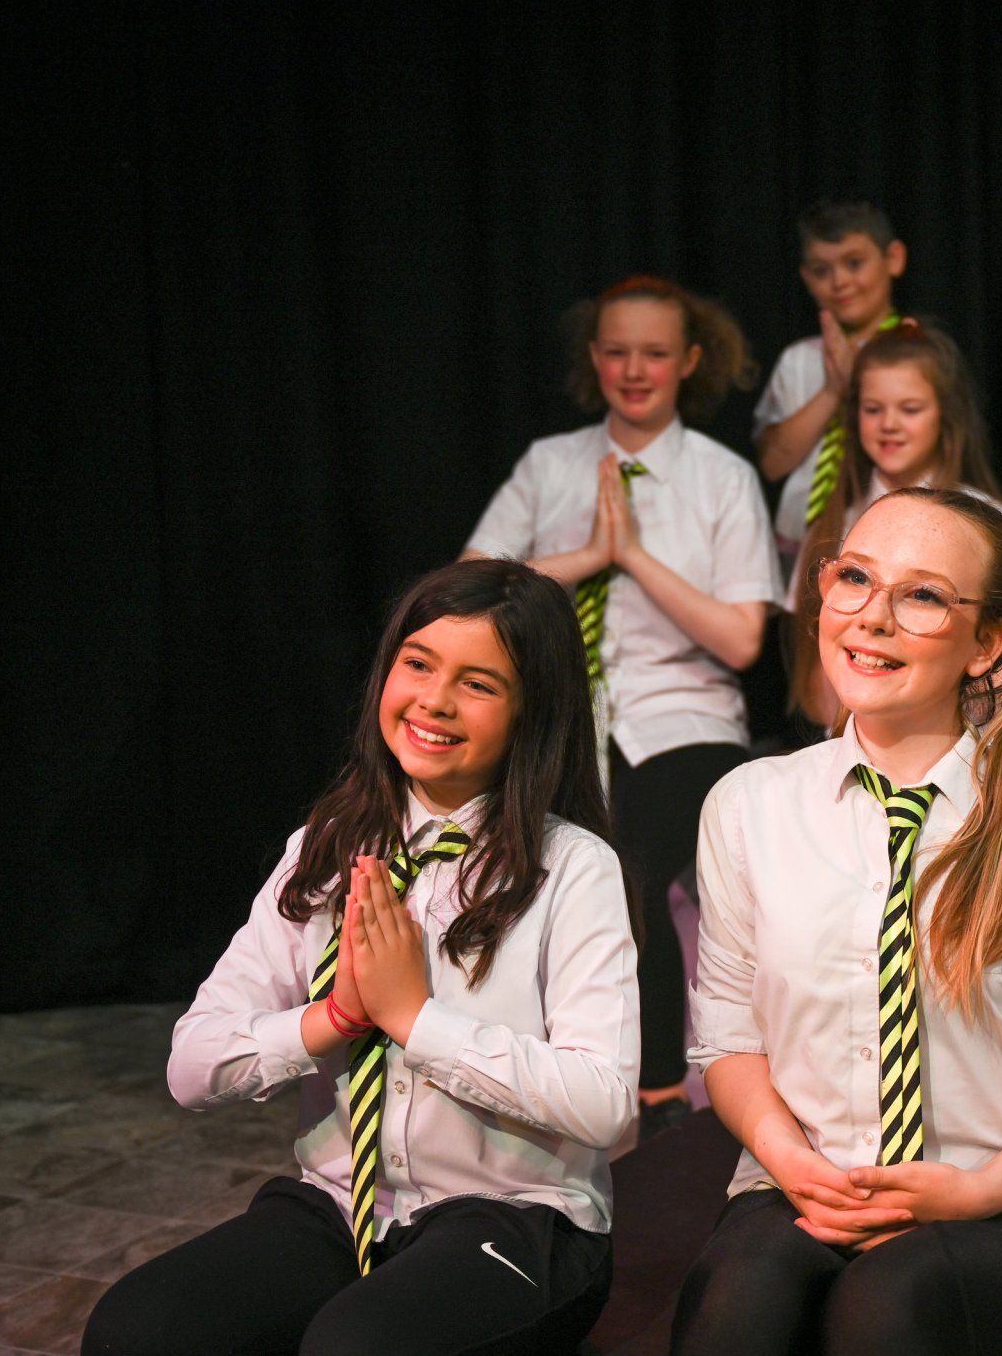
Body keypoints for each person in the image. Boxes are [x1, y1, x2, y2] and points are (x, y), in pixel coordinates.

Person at [82, 559, 638, 1355]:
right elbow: (191, 1065)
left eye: (478, 683)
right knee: (138, 1328)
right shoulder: (328, 846)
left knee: (357, 1345)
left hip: (518, 1215)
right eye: (418, 664)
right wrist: (335, 1017)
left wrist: (416, 1020)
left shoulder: (572, 867)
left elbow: (606, 1101)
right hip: (344, 1202)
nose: (435, 699)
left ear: (533, 711)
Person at [672, 488, 1002, 1356]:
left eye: (922, 595)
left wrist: (973, 1191)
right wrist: (793, 1163)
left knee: (887, 1309)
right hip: (802, 1180)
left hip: (1001, 1202)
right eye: (854, 577)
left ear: (987, 643)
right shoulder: (748, 804)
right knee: (734, 1312)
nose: (873, 617)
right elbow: (730, 1042)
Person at [463, 276, 781, 1133]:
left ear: (690, 361)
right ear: (593, 358)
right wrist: (586, 555)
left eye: (654, 353)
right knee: (504, 847)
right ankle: (510, 1063)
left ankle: (658, 1091)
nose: (634, 370)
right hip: (559, 713)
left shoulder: (720, 476)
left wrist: (634, 557)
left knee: (623, 858)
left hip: (682, 717)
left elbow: (742, 639)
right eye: (616, 351)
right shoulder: (552, 464)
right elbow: (469, 586)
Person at [787, 322, 1002, 724]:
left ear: (945, 414)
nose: (889, 424)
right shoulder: (835, 519)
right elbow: (814, 658)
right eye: (873, 409)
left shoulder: (988, 523)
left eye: (910, 409)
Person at [753, 198, 910, 570]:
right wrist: (833, 390)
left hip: (894, 548)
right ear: (806, 278)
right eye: (822, 270)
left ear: (893, 259)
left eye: (854, 263)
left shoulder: (917, 353)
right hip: (801, 550)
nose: (839, 282)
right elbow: (772, 464)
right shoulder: (798, 360)